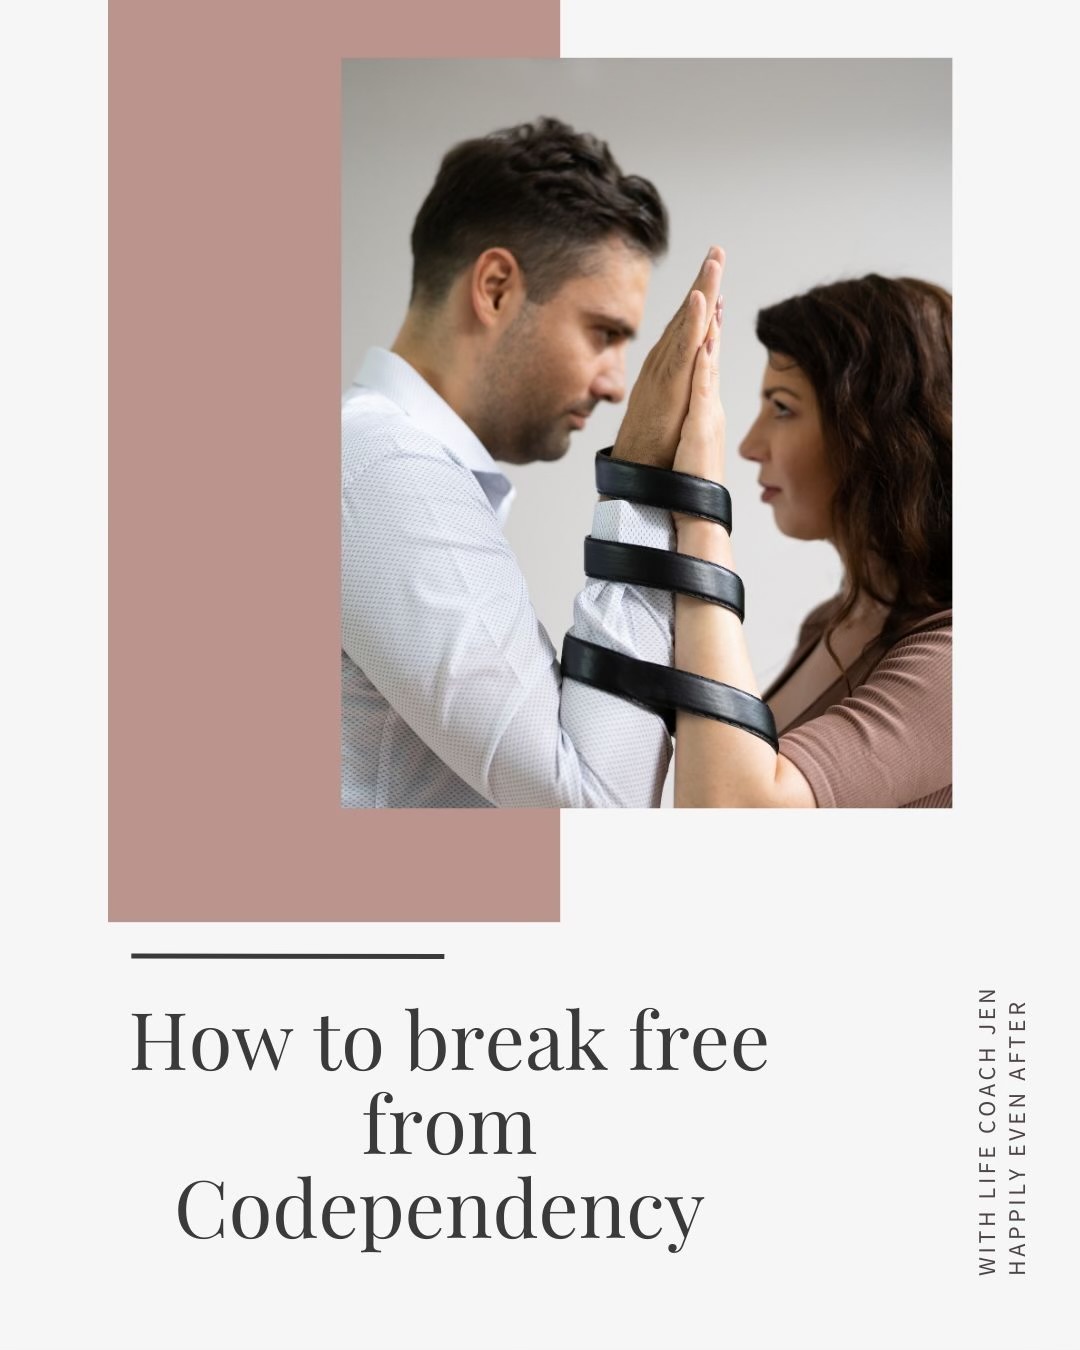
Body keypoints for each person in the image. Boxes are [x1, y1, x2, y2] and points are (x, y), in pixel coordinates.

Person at [341, 116, 722, 806]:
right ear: (494, 288)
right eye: (604, 333)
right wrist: (640, 487)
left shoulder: (379, 464)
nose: (615, 383)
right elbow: (595, 807)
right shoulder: (387, 469)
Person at [668, 273, 952, 807]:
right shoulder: (832, 621)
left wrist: (699, 511)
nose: (750, 445)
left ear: (876, 432)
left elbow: (731, 816)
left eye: (782, 407)